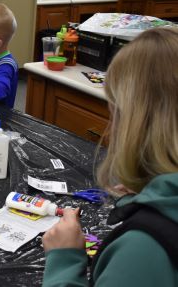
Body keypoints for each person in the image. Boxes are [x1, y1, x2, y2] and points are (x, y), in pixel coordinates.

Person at [42, 28, 178, 286]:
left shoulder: (142, 251)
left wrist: (64, 260)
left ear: (136, 124)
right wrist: (149, 192)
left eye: (114, 113)